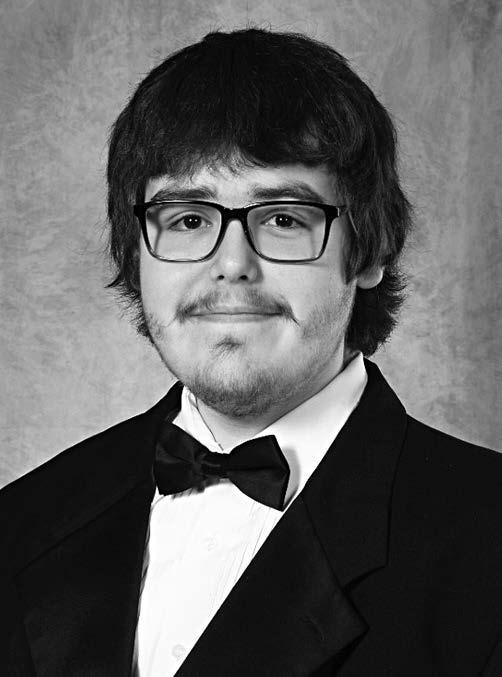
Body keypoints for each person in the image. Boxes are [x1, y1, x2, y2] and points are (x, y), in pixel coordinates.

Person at [1, 27, 501, 677]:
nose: (232, 264)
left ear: (370, 250)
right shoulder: (23, 521)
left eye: (284, 219)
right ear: (136, 254)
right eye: (188, 219)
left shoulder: (486, 541)